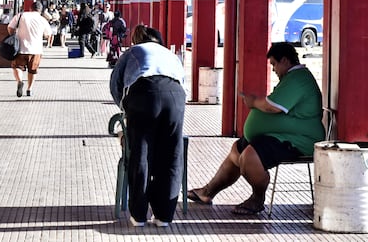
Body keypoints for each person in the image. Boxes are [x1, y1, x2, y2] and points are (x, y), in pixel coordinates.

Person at [187, 42, 324, 215]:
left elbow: (272, 107)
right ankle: (207, 192)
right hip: (280, 136)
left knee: (249, 156)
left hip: (298, 140)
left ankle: (257, 198)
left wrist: (252, 102)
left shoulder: (298, 78)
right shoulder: (291, 78)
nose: (273, 69)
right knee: (237, 150)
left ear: (285, 60)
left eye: (274, 64)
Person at [109, 25, 186, 228]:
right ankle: (164, 216)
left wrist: (126, 110)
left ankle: (139, 215)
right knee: (171, 156)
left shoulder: (134, 51)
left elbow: (116, 83)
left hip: (144, 94)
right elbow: (182, 81)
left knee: (140, 154)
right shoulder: (170, 54)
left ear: (138, 39)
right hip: (175, 97)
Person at [6, 1, 52, 98]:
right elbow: (48, 35)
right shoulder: (42, 20)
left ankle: (19, 81)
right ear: (40, 11)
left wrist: (14, 36)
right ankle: (29, 89)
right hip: (36, 49)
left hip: (20, 48)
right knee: (32, 70)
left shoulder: (20, 15)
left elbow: (10, 27)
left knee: (17, 67)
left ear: (30, 8)